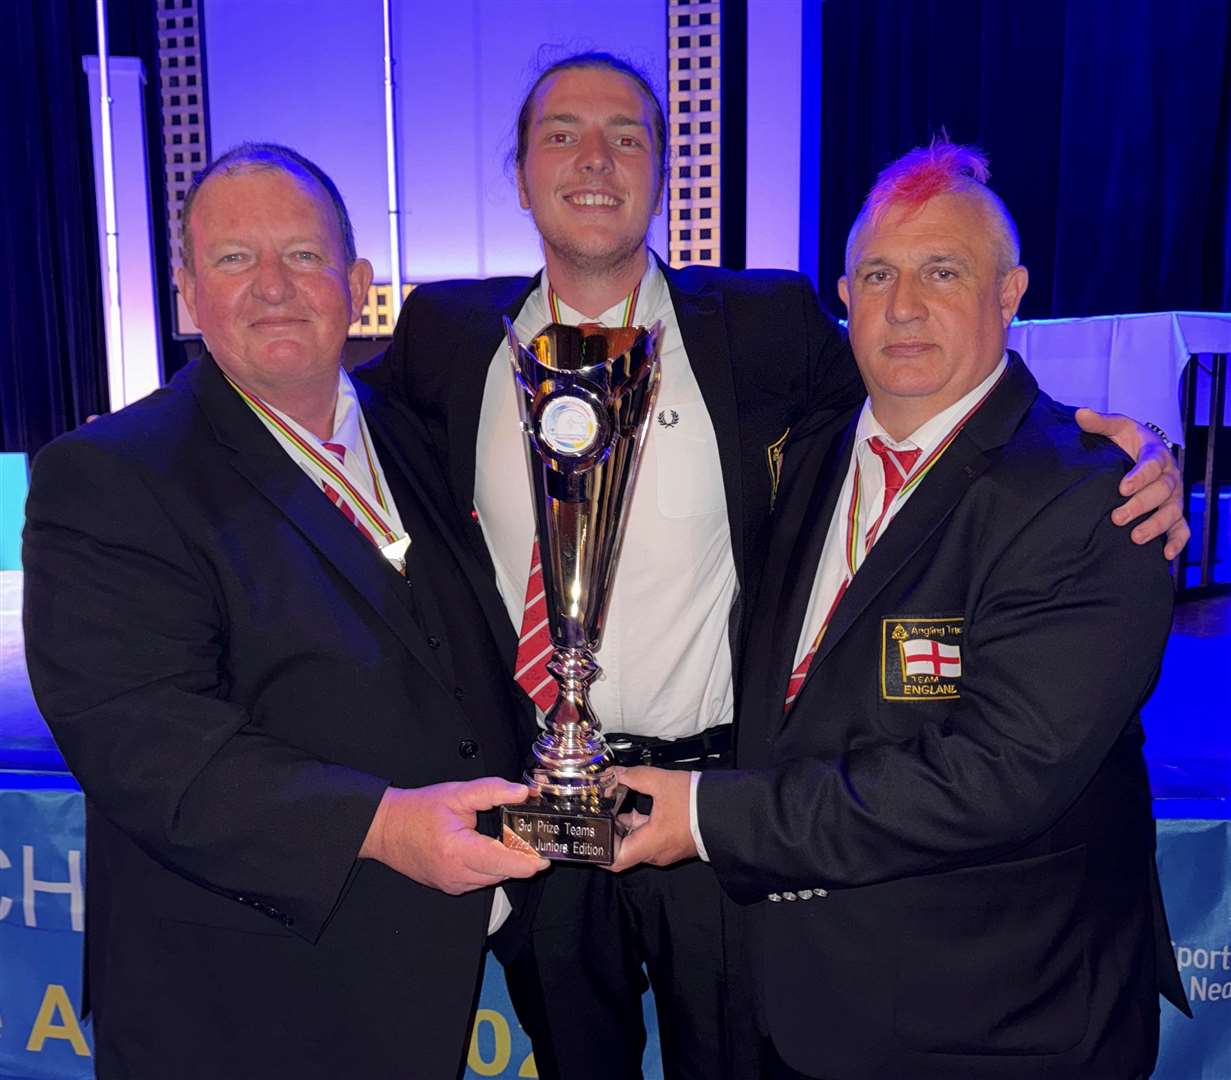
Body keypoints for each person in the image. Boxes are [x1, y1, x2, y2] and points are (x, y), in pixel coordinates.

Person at [366, 54, 1188, 1079]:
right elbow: (324, 432)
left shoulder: (763, 329)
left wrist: (1128, 445)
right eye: (561, 134)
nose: (594, 160)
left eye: (627, 136)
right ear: (519, 168)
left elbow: (943, 387)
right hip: (541, 805)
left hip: (720, 809)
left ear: (665, 168)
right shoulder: (442, 338)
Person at [613, 140, 1191, 1079]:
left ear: (1009, 295)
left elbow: (998, 777)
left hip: (997, 1025)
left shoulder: (1094, 499)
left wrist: (709, 816)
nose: (905, 305)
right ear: (843, 295)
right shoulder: (804, 456)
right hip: (793, 1007)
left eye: (942, 271)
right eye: (878, 273)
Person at [22, 143, 547, 1080]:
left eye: (302, 256)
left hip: (418, 978)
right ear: (186, 293)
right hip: (236, 999)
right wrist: (382, 826)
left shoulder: (413, 434)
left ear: (355, 283)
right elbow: (145, 740)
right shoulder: (110, 475)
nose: (273, 286)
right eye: (233, 259)